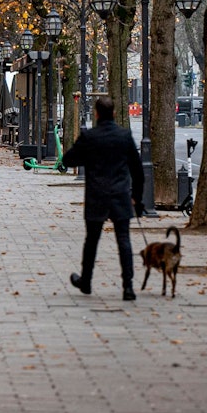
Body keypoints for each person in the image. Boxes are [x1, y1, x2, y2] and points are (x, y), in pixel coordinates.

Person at [64, 96, 145, 301]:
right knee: (124, 240)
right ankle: (128, 286)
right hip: (120, 194)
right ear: (115, 113)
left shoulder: (90, 137)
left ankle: (86, 281)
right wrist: (136, 196)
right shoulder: (124, 136)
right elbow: (138, 170)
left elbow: (68, 159)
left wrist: (87, 157)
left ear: (97, 114)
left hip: (97, 195)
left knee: (91, 240)